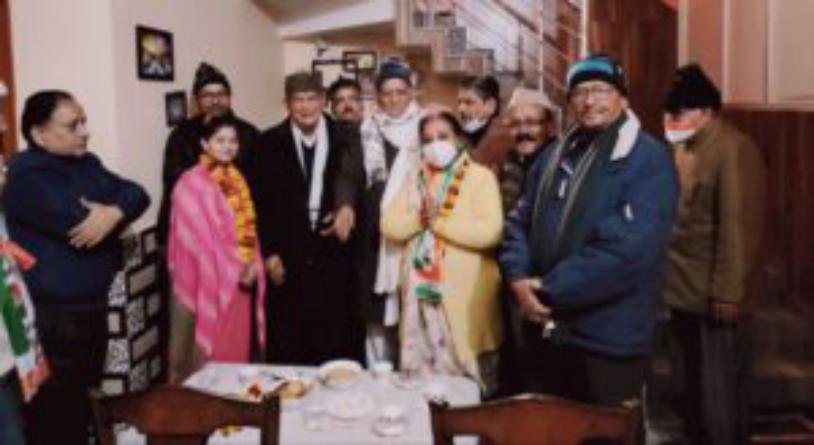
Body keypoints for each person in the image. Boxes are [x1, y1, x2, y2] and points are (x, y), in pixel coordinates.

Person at [499, 54, 678, 406]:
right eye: (580, 92)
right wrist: (517, 276)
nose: (590, 100)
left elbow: (627, 251)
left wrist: (546, 290)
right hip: (548, 332)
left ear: (622, 98)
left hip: (607, 339)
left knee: (606, 429)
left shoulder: (647, 159)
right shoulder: (553, 156)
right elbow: (518, 221)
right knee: (550, 428)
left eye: (601, 90)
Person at [3, 90, 149, 445]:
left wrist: (113, 212)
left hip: (90, 310)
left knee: (84, 409)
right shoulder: (26, 176)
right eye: (73, 125)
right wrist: (112, 213)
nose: (85, 131)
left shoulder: (86, 162)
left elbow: (137, 193)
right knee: (57, 419)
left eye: (84, 121)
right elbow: (80, 224)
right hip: (54, 320)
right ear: (39, 134)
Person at [662, 63, 765, 445]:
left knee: (718, 398)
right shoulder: (686, 147)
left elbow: (738, 226)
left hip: (714, 295)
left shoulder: (733, 149)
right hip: (682, 290)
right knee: (690, 390)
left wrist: (728, 291)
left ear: (707, 111)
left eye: (682, 112)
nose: (674, 120)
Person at [381, 109, 503, 391]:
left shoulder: (480, 177)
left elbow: (491, 232)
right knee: (420, 390)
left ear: (459, 139)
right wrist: (419, 220)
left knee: (468, 389)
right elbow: (389, 225)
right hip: (418, 298)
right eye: (427, 139)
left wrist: (439, 224)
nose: (435, 144)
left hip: (463, 296)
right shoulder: (416, 179)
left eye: (442, 136)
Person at [253, 72, 363, 365]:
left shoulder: (346, 136)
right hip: (288, 256)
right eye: (298, 100)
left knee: (337, 342)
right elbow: (260, 203)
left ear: (324, 100)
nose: (305, 106)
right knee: (290, 346)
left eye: (312, 98)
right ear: (286, 103)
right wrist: (270, 253)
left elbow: (355, 181)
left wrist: (344, 207)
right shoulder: (268, 142)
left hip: (335, 253)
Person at [333, 59, 425, 366]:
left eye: (401, 92)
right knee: (375, 312)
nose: (394, 99)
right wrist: (345, 205)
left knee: (414, 309)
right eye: (387, 93)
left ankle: (412, 376)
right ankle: (378, 376)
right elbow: (347, 174)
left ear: (411, 93)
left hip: (417, 230)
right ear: (378, 97)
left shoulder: (427, 127)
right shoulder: (366, 130)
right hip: (375, 234)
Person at [166, 116, 266, 382]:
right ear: (204, 144)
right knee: (209, 359)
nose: (228, 146)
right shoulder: (189, 182)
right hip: (207, 281)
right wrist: (233, 263)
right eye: (220, 140)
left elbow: (248, 229)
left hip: (239, 281)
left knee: (236, 351)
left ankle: (234, 404)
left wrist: (252, 263)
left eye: (233, 141)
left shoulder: (236, 177)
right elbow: (193, 239)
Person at [493, 87, 559, 397]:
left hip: (544, 279)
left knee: (541, 364)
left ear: (549, 126)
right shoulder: (512, 161)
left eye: (532, 122)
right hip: (514, 272)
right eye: (516, 123)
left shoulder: (558, 162)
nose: (524, 131)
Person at [157, 62, 260, 244]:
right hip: (193, 232)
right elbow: (175, 183)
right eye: (208, 95)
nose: (215, 100)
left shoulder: (249, 133)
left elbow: (261, 184)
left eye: (221, 94)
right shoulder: (181, 135)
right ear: (197, 99)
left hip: (240, 228)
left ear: (229, 97)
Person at [457, 76, 515, 172]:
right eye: (459, 102)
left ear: (490, 105)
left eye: (469, 102)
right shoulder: (464, 134)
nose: (461, 109)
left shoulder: (502, 137)